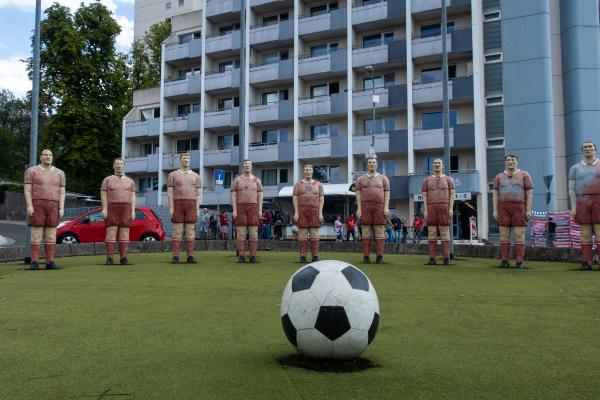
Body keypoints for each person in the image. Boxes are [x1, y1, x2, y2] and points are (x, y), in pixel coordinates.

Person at [23, 149, 66, 270]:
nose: (48, 156)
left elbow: (62, 192)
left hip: (54, 205)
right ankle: (34, 262)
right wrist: (30, 205)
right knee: (36, 234)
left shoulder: (60, 173)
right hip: (37, 204)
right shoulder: (31, 171)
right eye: (45, 155)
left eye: (50, 155)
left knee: (51, 235)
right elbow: (27, 190)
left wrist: (61, 207)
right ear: (40, 157)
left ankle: (49, 262)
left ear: (52, 157)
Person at [493, 154, 533, 269]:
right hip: (503, 208)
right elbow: (495, 195)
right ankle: (504, 260)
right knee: (504, 235)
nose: (510, 162)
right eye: (508, 160)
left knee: (519, 235)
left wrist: (528, 210)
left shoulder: (524, 175)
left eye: (512, 160)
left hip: (519, 207)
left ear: (517, 162)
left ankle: (520, 261)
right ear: (505, 162)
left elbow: (529, 194)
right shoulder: (499, 177)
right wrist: (495, 210)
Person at [568, 141, 600, 270]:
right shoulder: (575, 168)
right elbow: (571, 189)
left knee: (599, 232)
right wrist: (573, 207)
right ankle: (586, 262)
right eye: (585, 147)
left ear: (595, 149)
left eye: (590, 147)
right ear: (582, 150)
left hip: (598, 201)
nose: (587, 149)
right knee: (585, 234)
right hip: (582, 202)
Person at [167, 153, 201, 263]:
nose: (186, 160)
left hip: (191, 205)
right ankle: (175, 256)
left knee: (190, 231)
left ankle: (190, 256)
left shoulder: (196, 176)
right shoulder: (173, 175)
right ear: (180, 160)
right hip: (178, 204)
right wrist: (171, 207)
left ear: (190, 160)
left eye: (188, 158)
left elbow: (198, 194)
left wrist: (197, 208)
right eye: (184, 158)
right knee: (177, 231)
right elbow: (170, 192)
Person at [355, 155, 390, 264]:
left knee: (380, 231)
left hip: (379, 207)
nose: (372, 164)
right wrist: (359, 209)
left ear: (377, 164)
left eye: (374, 162)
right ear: (367, 164)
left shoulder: (384, 178)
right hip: (365, 208)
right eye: (370, 162)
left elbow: (387, 194)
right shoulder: (360, 179)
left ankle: (380, 256)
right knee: (366, 232)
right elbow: (358, 195)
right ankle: (366, 257)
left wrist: (386, 207)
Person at [101, 158, 136, 265]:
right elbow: (103, 194)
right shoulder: (107, 180)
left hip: (126, 208)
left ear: (124, 166)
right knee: (111, 232)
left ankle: (123, 258)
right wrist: (105, 208)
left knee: (125, 233)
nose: (119, 166)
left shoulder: (130, 181)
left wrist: (133, 210)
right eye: (117, 164)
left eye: (121, 164)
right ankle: (110, 258)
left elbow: (133, 196)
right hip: (112, 208)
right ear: (113, 166)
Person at [422, 158, 455, 265]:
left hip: (444, 207)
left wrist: (451, 208)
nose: (437, 165)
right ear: (433, 166)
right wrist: (426, 210)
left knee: (444, 232)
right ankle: (432, 259)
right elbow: (425, 196)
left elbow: (452, 194)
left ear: (443, 166)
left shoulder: (449, 179)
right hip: (431, 208)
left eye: (439, 163)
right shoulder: (426, 180)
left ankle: (446, 258)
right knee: (431, 233)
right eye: (435, 163)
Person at [231, 159, 263, 263]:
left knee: (254, 233)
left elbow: (260, 195)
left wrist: (260, 209)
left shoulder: (257, 180)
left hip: (253, 207)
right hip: (241, 207)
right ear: (243, 166)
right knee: (241, 233)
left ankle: (253, 256)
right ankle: (241, 256)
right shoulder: (237, 180)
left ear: (251, 166)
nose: (247, 166)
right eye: (245, 164)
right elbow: (234, 195)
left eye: (249, 164)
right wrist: (234, 210)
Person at [293, 164, 325, 262]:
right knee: (302, 233)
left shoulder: (319, 185)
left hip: (314, 211)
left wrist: (320, 213)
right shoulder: (298, 184)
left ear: (312, 171)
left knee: (314, 233)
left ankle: (315, 256)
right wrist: (296, 212)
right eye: (306, 170)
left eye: (309, 170)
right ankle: (302, 256)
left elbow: (321, 199)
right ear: (304, 171)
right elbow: (295, 198)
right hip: (302, 211)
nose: (308, 171)